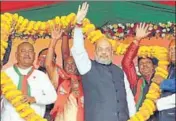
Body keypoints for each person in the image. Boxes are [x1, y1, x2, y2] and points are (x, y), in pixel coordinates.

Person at [71, 2, 129, 121]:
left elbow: (127, 98)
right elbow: (78, 50)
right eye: (100, 49)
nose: (103, 52)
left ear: (112, 52)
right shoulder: (87, 67)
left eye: (107, 49)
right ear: (95, 52)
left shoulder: (119, 72)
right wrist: (78, 25)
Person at [1, 42, 57, 121]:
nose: (27, 54)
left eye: (30, 51)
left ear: (34, 55)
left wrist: (34, 99)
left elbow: (53, 97)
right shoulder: (5, 74)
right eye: (23, 51)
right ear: (16, 55)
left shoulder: (41, 75)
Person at [45, 27, 84, 121]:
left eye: (73, 64)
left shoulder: (85, 80)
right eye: (67, 64)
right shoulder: (60, 77)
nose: (70, 66)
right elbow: (48, 64)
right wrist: (53, 41)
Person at [122, 23, 158, 120]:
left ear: (154, 66)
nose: (144, 65)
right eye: (141, 63)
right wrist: (137, 39)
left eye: (148, 62)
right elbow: (126, 63)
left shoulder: (161, 81)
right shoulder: (136, 81)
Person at [156, 39, 176, 121]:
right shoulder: (169, 67)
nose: (173, 52)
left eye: (175, 49)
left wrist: (163, 82)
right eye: (170, 49)